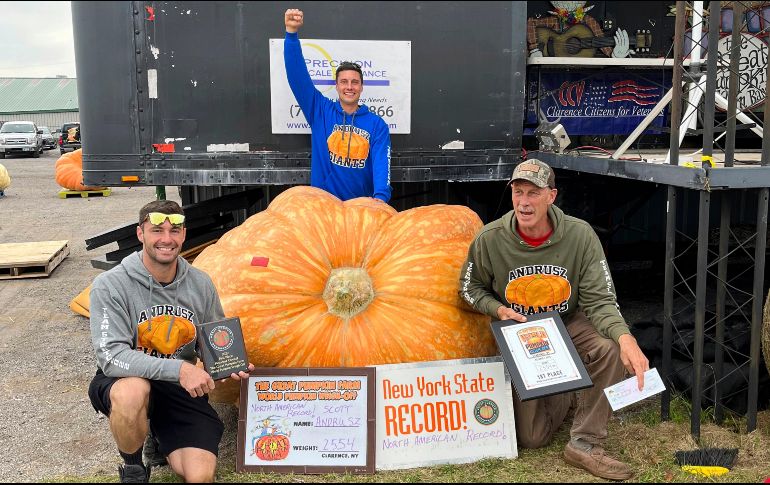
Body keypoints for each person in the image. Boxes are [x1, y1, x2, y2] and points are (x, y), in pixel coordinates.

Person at [459, 159, 649, 481]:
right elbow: (467, 289)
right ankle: (566, 390)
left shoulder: (580, 236)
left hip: (567, 322)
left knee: (608, 348)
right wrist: (497, 309)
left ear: (552, 196)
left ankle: (585, 442)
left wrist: (625, 338)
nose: (524, 202)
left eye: (534, 193)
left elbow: (600, 300)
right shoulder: (490, 239)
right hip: (520, 330)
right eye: (518, 192)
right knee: (533, 438)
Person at [88, 200, 253, 483]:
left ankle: (158, 435)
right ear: (141, 234)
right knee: (132, 393)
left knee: (200, 476)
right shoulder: (110, 285)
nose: (167, 239)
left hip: (178, 388)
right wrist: (180, 369)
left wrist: (228, 363)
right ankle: (134, 469)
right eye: (157, 230)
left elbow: (213, 339)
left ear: (184, 234)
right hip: (126, 376)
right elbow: (111, 355)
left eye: (174, 230)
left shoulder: (200, 283)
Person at [284, 8, 392, 203]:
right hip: (324, 206)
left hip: (360, 209)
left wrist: (380, 199)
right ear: (336, 85)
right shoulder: (320, 110)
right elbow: (297, 76)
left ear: (361, 86)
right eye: (344, 82)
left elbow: (381, 164)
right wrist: (291, 34)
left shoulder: (377, 125)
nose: (349, 87)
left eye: (354, 82)